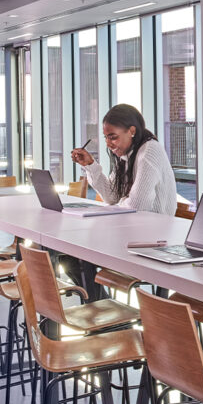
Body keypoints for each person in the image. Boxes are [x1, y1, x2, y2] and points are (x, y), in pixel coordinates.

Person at [64, 104, 177, 299]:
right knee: (69, 254)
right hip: (132, 231)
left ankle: (100, 309)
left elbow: (137, 205)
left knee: (76, 254)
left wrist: (118, 205)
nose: (108, 143)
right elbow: (112, 197)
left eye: (113, 137)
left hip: (153, 239)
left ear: (131, 131)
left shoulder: (150, 150)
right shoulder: (126, 155)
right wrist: (90, 165)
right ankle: (101, 307)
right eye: (106, 137)